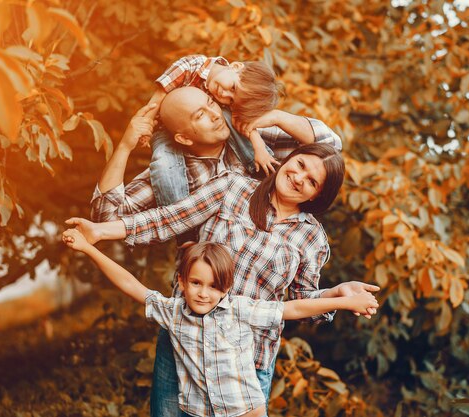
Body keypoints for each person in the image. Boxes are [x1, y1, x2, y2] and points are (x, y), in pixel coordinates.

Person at [69, 143, 381, 416]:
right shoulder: (233, 188)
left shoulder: (311, 237)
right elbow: (167, 219)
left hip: (248, 359)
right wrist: (100, 232)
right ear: (290, 159)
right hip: (186, 342)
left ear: (318, 195)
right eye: (300, 165)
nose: (299, 178)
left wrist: (338, 292)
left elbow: (300, 301)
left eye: (312, 181)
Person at [60, 237, 379, 417]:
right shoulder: (171, 313)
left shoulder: (240, 310)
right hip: (197, 412)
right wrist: (90, 249)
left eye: (213, 286)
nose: (203, 292)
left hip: (244, 412)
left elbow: (293, 307)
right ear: (181, 282)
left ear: (226, 288)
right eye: (196, 282)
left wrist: (343, 301)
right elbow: (129, 283)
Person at [91, 86, 343, 218]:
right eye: (199, 115)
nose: (213, 115)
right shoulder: (170, 173)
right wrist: (124, 146)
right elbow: (106, 216)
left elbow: (329, 146)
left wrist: (277, 117)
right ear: (183, 138)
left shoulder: (253, 137)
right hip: (207, 286)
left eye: (210, 104)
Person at [145, 54, 282, 178]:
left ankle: (260, 168)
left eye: (231, 100)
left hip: (200, 133)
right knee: (164, 163)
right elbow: (158, 97)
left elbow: (245, 122)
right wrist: (146, 124)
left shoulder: (221, 102)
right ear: (235, 66)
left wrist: (259, 148)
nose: (225, 95)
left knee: (231, 117)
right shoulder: (190, 66)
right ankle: (177, 204)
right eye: (233, 88)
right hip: (165, 130)